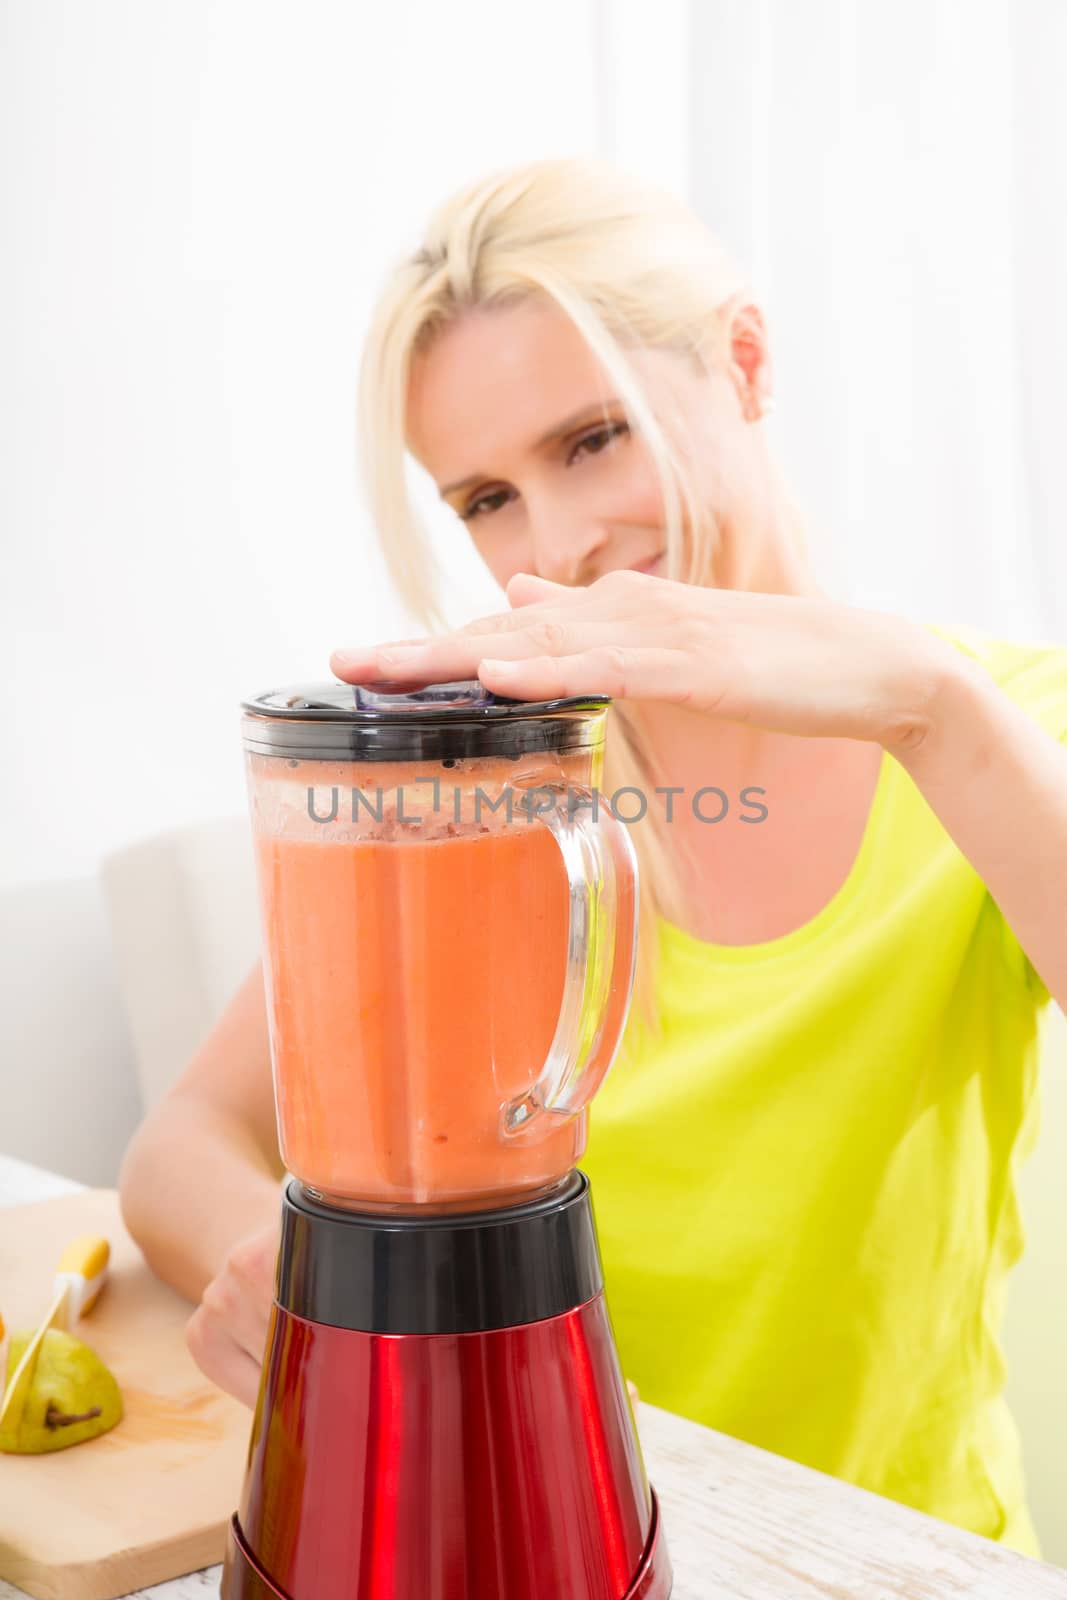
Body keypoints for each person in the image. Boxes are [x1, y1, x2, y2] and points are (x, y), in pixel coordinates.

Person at [118, 156, 1067, 1558]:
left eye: (592, 440)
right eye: (486, 500)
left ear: (743, 362)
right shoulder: (491, 781)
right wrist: (281, 1267)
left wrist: (927, 706)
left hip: (871, 1552)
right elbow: (182, 1143)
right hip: (523, 1537)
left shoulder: (994, 728)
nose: (558, 546)